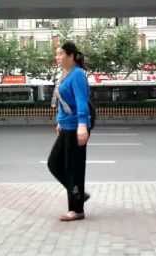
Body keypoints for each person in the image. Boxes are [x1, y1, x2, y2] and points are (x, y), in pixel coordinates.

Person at [48, 41, 91, 222]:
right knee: (54, 163)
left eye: (60, 54)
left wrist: (82, 125)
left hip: (76, 127)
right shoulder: (64, 75)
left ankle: (76, 209)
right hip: (66, 125)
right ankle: (79, 194)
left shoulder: (78, 75)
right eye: (56, 54)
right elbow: (61, 103)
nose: (57, 57)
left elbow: (82, 101)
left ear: (71, 56)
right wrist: (59, 121)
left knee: (74, 169)